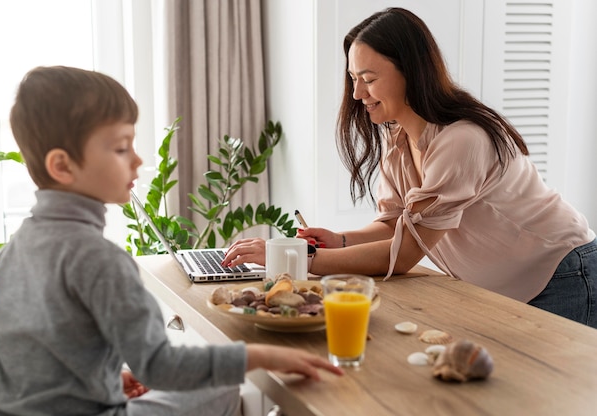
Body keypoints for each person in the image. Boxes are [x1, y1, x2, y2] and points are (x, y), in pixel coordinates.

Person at [0, 66, 343, 416]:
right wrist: (262, 356)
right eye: (121, 148)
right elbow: (160, 366)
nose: (139, 160)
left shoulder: (11, 252)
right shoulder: (100, 259)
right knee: (222, 389)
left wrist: (107, 378)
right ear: (62, 166)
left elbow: (35, 359)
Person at [222, 7, 597, 329]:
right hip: (512, 283)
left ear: (412, 72)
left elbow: (402, 256)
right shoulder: (398, 140)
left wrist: (299, 257)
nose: (356, 94)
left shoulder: (460, 141)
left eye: (368, 79)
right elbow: (393, 225)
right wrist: (338, 240)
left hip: (562, 272)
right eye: (354, 79)